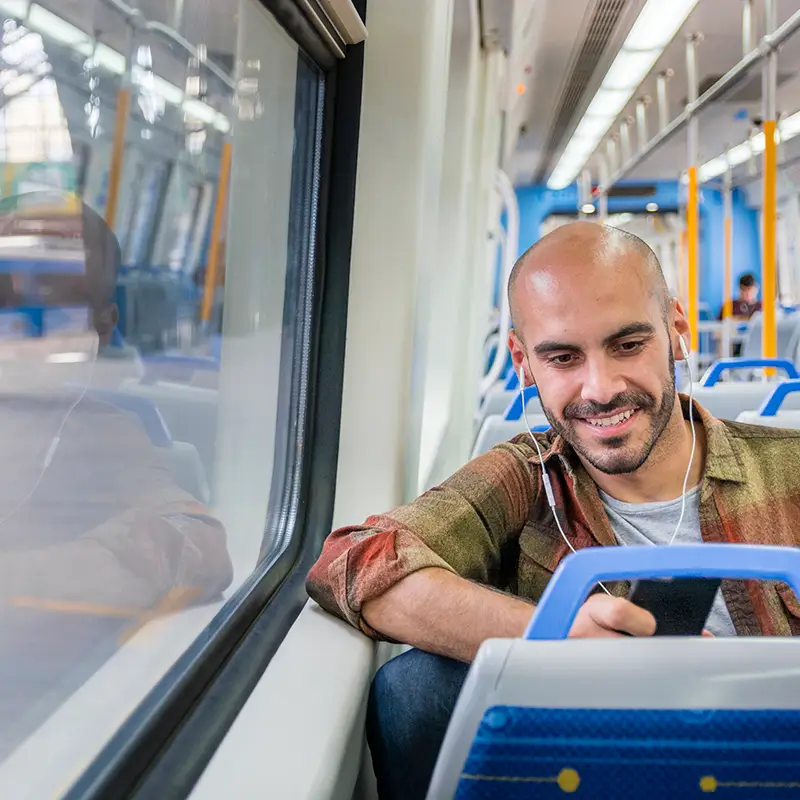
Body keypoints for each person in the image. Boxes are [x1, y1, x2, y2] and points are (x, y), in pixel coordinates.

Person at [306, 222, 800, 800]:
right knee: (415, 688)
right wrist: (556, 638)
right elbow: (353, 561)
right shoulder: (527, 479)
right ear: (523, 360)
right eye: (563, 357)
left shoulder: (788, 470)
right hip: (593, 775)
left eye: (628, 345)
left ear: (677, 329)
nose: (600, 388)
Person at [0, 194, 233, 757]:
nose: (18, 326)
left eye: (53, 307)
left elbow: (197, 544)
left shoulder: (103, 437)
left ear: (103, 327)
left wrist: (25, 579)